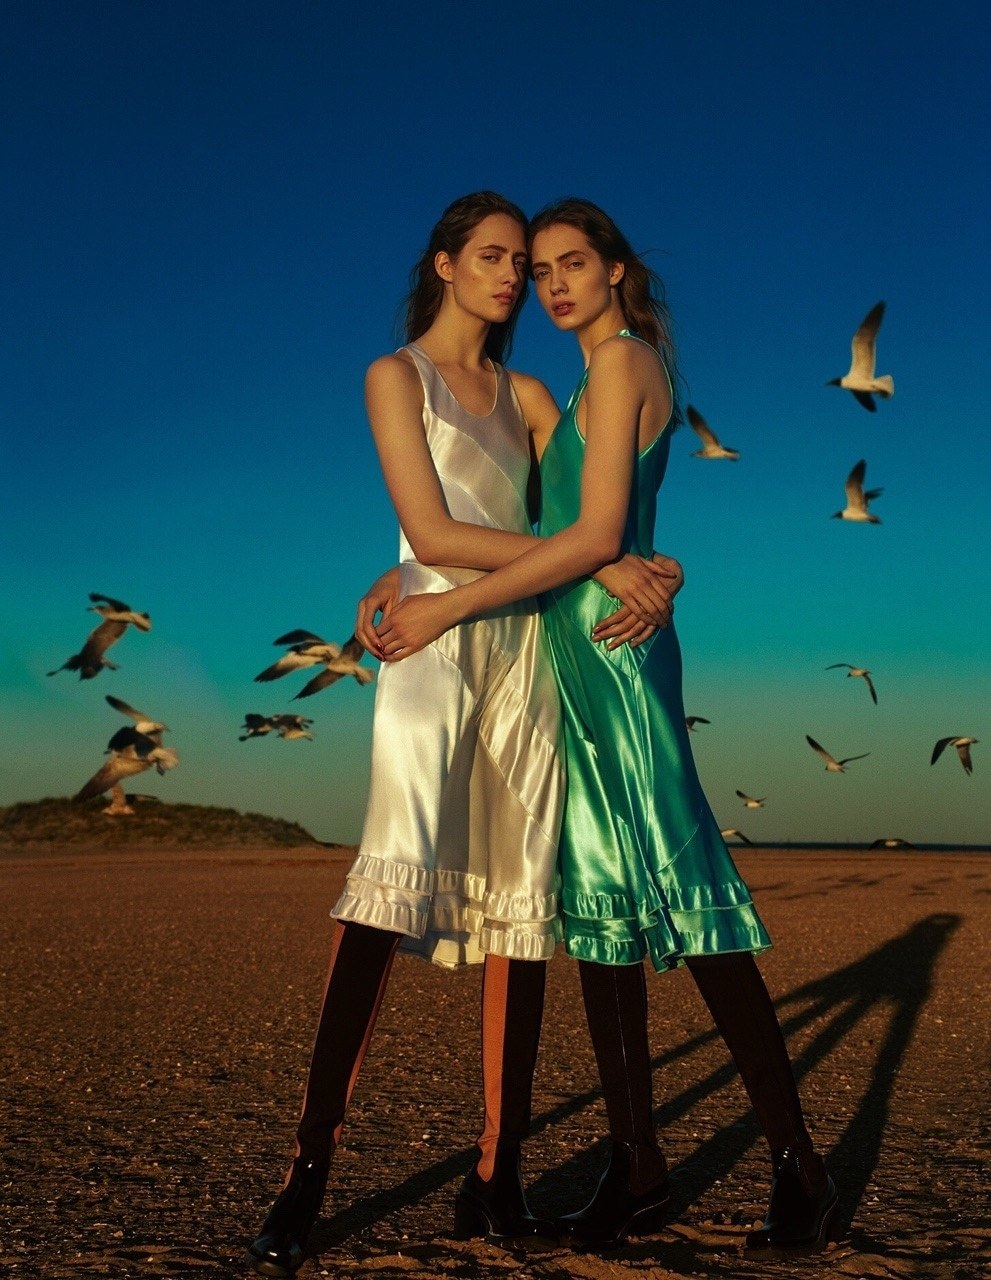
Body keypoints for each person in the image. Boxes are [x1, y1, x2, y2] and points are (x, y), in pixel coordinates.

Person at [373, 198, 838, 1255]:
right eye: (538, 271)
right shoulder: (580, 384)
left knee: (688, 896)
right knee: (599, 912)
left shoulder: (624, 362)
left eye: (573, 264)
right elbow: (525, 524)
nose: (553, 286)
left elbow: (589, 532)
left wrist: (446, 603)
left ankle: (798, 1166)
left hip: (617, 657)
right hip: (565, 650)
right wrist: (400, 570)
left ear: (619, 271)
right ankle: (637, 1165)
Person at [246, 191, 682, 1278]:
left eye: (521, 263)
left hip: (526, 649)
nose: (510, 278)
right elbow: (435, 526)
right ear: (443, 265)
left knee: (520, 909)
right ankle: (307, 1170)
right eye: (490, 257)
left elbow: (592, 494)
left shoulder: (533, 390)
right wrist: (410, 566)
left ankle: (494, 1174)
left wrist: (632, 554)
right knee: (384, 884)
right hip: (431, 654)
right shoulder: (396, 376)